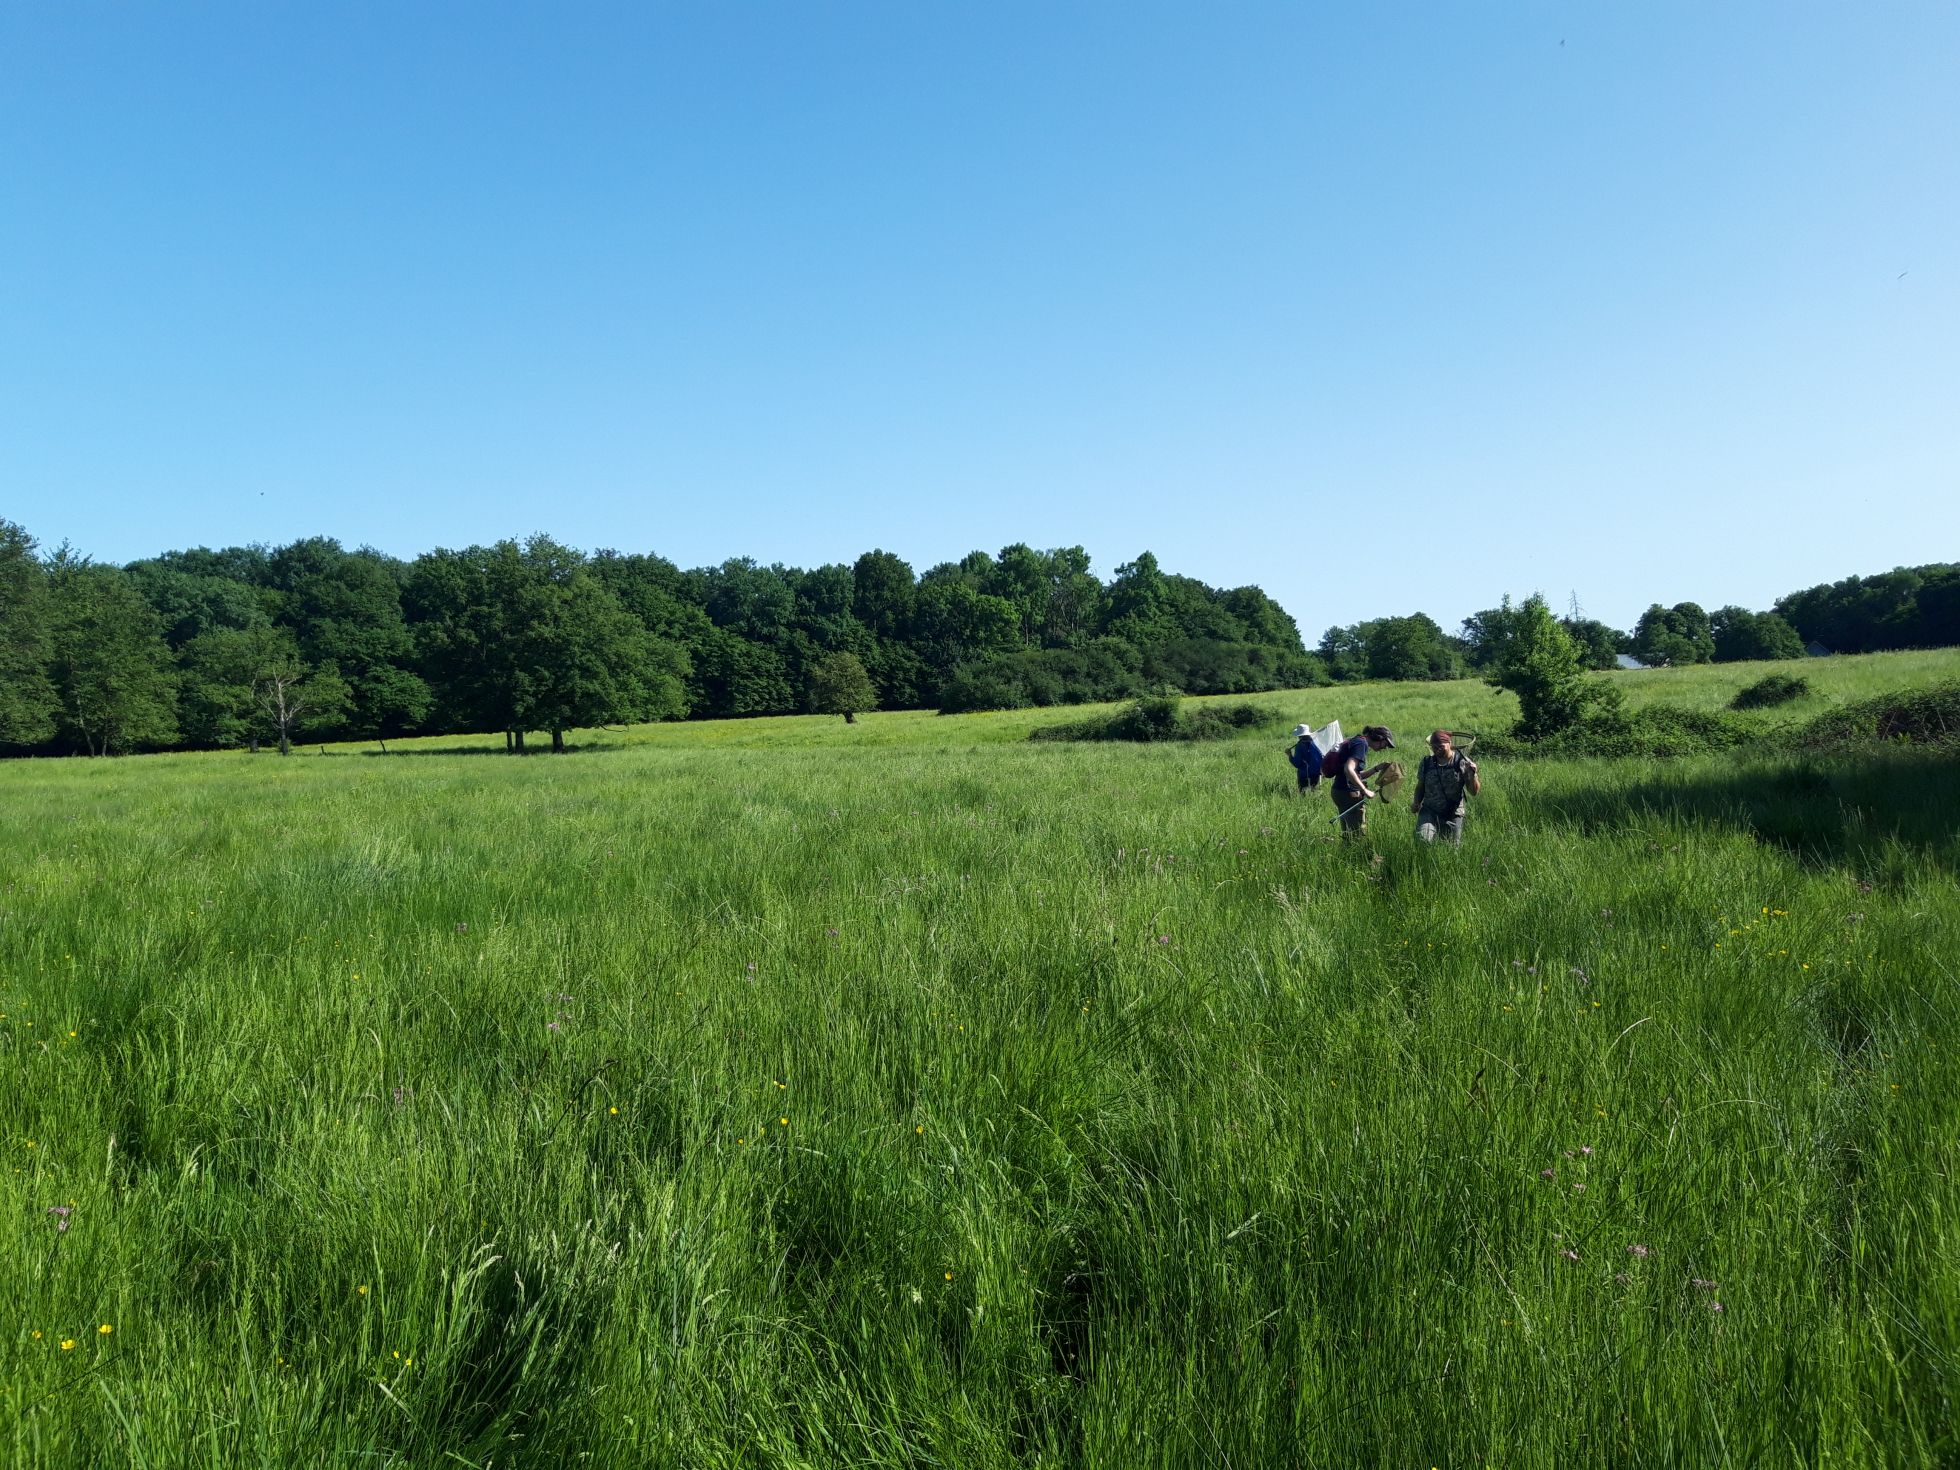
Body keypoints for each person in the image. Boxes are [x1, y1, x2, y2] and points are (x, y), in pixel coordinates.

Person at [1411, 729, 1480, 843]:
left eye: (1441, 746)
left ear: (1450, 744)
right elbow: (1420, 786)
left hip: (1453, 813)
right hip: (1429, 811)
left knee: (1451, 850)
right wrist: (1416, 802)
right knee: (1422, 840)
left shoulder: (1462, 762)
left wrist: (1472, 775)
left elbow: (1473, 792)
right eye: (1434, 747)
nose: (1437, 749)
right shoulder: (1427, 762)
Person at [1326, 725, 1395, 835]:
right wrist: (1364, 790)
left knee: (1348, 834)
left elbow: (1355, 774)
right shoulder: (1361, 744)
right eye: (1385, 744)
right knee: (1357, 835)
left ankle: (1346, 850)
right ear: (1379, 738)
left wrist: (1376, 768)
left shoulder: (1357, 740)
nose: (1384, 748)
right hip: (1348, 793)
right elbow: (1348, 769)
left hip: (1339, 791)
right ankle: (1356, 851)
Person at [1286, 724, 1323, 792]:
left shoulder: (1299, 746)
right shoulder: (1317, 743)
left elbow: (1297, 763)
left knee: (1303, 794)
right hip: (1317, 773)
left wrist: (1290, 755)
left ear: (1299, 736)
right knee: (1315, 793)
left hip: (1304, 775)